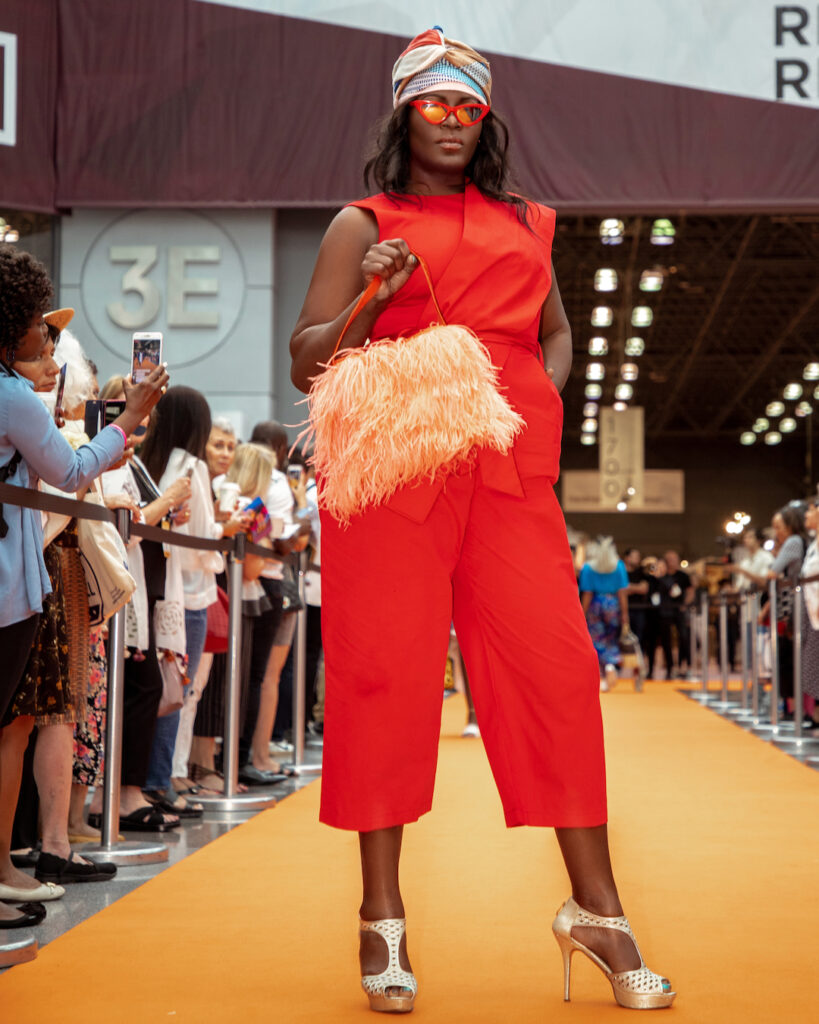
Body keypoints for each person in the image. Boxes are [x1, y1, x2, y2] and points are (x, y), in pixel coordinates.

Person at [288, 29, 674, 1014]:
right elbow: (307, 359)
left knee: (556, 675)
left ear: (486, 119)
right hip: (392, 482)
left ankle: (600, 911)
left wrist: (536, 393)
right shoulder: (358, 221)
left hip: (505, 477)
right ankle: (383, 916)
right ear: (405, 112)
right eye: (434, 105)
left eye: (468, 108)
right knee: (385, 681)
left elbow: (556, 330)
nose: (452, 122)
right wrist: (375, 288)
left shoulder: (529, 223)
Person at [0, 244, 166, 923]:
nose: (48, 335)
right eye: (41, 323)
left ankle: (8, 865)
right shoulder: (11, 396)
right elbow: (70, 471)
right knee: (10, 722)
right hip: (8, 586)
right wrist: (127, 421)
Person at [579, 537, 630, 691]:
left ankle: (602, 671)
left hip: (596, 605)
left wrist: (581, 614)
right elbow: (622, 593)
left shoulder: (588, 568)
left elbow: (587, 594)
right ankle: (610, 665)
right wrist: (625, 614)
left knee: (596, 639)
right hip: (612, 606)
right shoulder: (619, 566)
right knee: (611, 638)